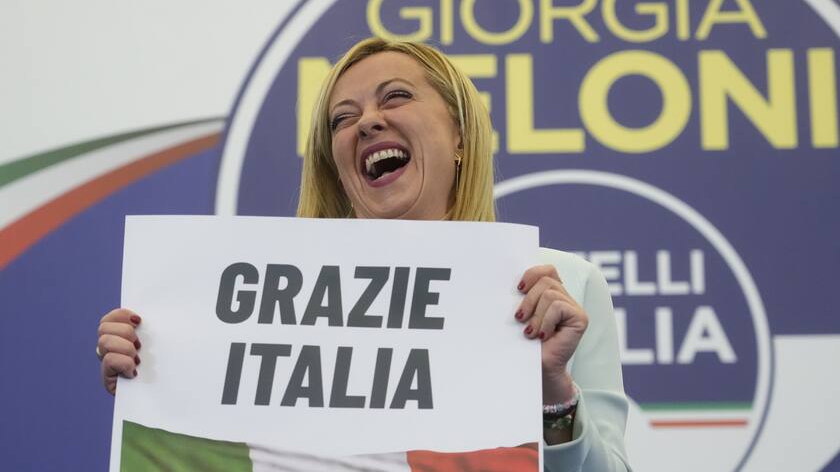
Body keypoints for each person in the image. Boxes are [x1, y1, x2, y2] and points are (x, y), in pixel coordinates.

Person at [97, 37, 631, 472]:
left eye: (395, 97)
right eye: (342, 119)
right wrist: (158, 380)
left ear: (460, 134)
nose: (367, 122)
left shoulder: (560, 286)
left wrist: (553, 394)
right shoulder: (273, 302)